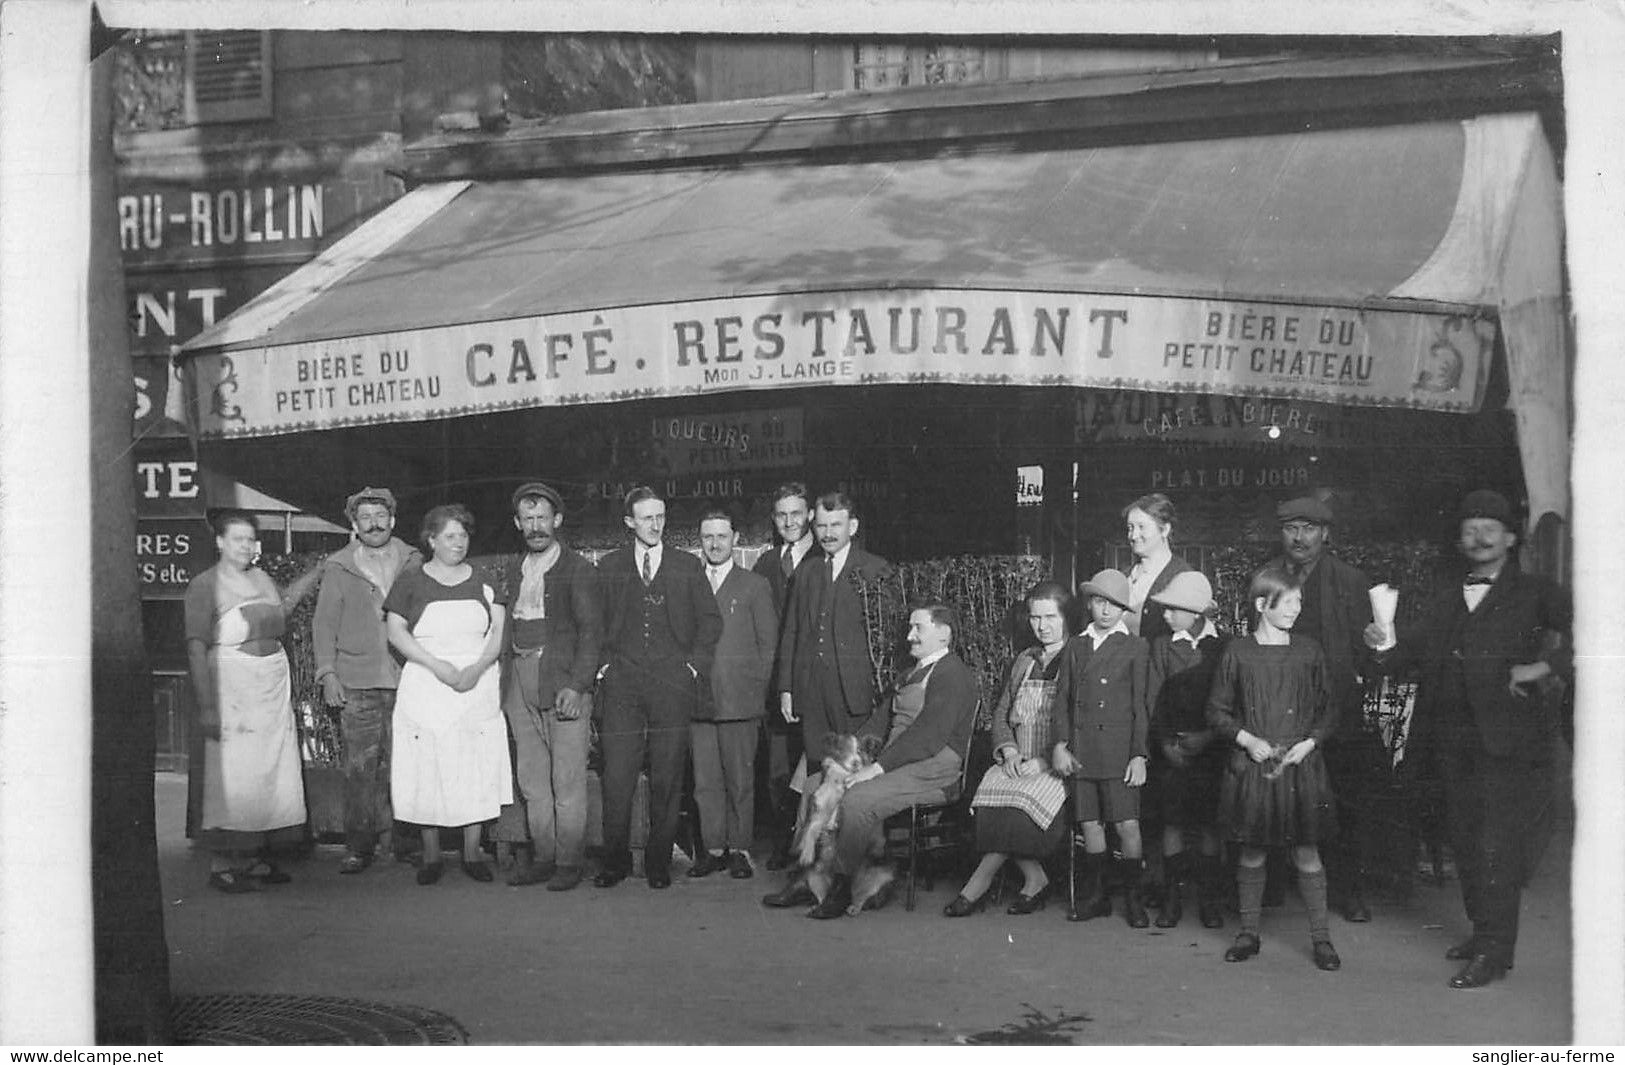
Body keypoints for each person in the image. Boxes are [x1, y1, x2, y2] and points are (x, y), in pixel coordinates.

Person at [1362, 489, 1570, 990]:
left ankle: (1497, 952)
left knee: (1497, 845)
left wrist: (1541, 666)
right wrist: (1381, 645)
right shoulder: (1448, 596)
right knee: (1468, 843)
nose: (1478, 536)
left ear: (1511, 538)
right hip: (1451, 742)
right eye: (1469, 528)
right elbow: (1405, 652)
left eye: (1489, 528)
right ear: (1459, 539)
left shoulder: (1538, 592)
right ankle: (1484, 935)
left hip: (1509, 745)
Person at [793, 602, 981, 919]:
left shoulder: (953, 675)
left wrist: (875, 769)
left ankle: (842, 888)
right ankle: (807, 879)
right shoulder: (911, 673)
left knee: (857, 798)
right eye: (910, 627)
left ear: (944, 634)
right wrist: (844, 758)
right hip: (902, 760)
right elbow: (878, 724)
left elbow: (927, 736)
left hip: (935, 767)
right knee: (815, 784)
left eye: (918, 628)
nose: (909, 636)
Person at [1206, 566, 1341, 971]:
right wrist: (1248, 741)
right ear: (1262, 605)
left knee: (1306, 852)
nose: (1296, 610)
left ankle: (1321, 939)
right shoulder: (1238, 652)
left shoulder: (1309, 651)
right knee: (1252, 852)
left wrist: (1310, 742)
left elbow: (1328, 707)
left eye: (1300, 602)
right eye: (1288, 602)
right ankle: (1248, 933)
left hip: (1300, 766)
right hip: (1255, 768)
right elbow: (1216, 710)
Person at [184, 509, 321, 893]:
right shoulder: (204, 586)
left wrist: (316, 573)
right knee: (234, 775)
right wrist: (207, 706)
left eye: (250, 540)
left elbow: (284, 608)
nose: (246, 546)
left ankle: (257, 856)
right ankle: (223, 864)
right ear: (220, 542)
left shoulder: (262, 578)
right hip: (232, 686)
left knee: (270, 771)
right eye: (238, 539)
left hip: (271, 685)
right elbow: (196, 648)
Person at [594, 486, 723, 890]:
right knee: (617, 776)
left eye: (661, 516)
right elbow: (594, 624)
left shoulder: (686, 565)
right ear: (630, 522)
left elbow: (710, 622)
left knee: (668, 777)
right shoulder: (610, 566)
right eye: (647, 517)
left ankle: (658, 864)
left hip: (672, 685)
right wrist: (603, 669)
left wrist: (690, 668)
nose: (655, 524)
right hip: (622, 687)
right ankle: (614, 862)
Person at [384, 504, 511, 885]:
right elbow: (396, 632)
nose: (459, 543)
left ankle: (473, 853)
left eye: (464, 535)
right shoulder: (410, 581)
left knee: (475, 763)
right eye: (450, 536)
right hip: (426, 683)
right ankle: (432, 855)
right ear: (432, 540)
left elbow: (497, 633)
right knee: (428, 763)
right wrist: (436, 666)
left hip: (476, 685)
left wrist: (475, 670)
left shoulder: (486, 580)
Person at [1269, 495, 1379, 922]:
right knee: (1277, 792)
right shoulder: (1269, 577)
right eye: (1291, 528)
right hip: (1281, 706)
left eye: (1309, 528)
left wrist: (1369, 657)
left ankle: (1348, 890)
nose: (1299, 537)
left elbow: (1367, 648)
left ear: (1325, 534)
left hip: (1335, 710)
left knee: (1343, 798)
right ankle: (1275, 887)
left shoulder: (1350, 581)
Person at [944, 581, 1073, 917]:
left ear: (1066, 617)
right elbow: (1002, 712)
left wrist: (1045, 762)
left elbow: (1079, 721)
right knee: (992, 796)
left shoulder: (1077, 657)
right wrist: (1009, 751)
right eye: (1035, 618)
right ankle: (1034, 878)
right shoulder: (1024, 660)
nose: (1042, 626)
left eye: (1050, 617)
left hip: (1055, 765)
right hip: (1018, 758)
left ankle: (977, 886)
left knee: (1018, 807)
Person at [312, 486, 422, 875]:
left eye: (380, 516)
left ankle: (406, 843)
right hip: (356, 680)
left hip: (407, 678)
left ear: (392, 520)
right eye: (365, 518)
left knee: (406, 764)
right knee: (360, 768)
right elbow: (323, 624)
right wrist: (327, 673)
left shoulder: (413, 561)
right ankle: (359, 847)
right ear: (354, 526)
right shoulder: (339, 566)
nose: (374, 523)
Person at [499, 481, 603, 892]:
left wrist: (578, 686)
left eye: (543, 518)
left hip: (560, 680)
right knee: (532, 778)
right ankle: (543, 856)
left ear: (557, 520)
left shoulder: (578, 568)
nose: (536, 526)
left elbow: (593, 632)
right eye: (528, 519)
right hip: (518, 681)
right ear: (518, 523)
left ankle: (569, 860)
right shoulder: (513, 568)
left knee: (568, 777)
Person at [1052, 569, 1150, 927]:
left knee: (1126, 824)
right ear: (1090, 603)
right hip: (1082, 749)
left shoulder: (1136, 647)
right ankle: (1098, 897)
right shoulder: (1076, 645)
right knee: (1090, 823)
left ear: (1124, 609)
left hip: (1119, 750)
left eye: (1115, 605)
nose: (1106, 611)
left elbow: (1141, 705)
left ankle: (1134, 899)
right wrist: (1060, 745)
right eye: (1099, 602)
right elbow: (1062, 700)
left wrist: (1139, 754)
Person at [689, 508, 778, 880]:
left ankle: (739, 849)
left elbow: (768, 645)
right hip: (698, 702)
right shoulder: (690, 583)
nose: (715, 543)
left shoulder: (753, 585)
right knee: (705, 782)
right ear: (700, 541)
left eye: (722, 536)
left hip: (739, 702)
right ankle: (712, 850)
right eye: (708, 537)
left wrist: (753, 692)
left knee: (740, 780)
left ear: (735, 539)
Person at [775, 490, 892, 760]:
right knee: (818, 768)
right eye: (822, 526)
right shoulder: (806, 571)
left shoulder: (875, 569)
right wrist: (787, 689)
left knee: (853, 769)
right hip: (812, 692)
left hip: (854, 694)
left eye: (835, 525)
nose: (827, 533)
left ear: (852, 526)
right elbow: (791, 631)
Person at [1144, 570, 1227, 929]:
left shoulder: (1223, 647)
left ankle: (1209, 901)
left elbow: (1230, 700)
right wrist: (1165, 743)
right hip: (1173, 751)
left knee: (1209, 826)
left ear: (1196, 613)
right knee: (1173, 823)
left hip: (1210, 751)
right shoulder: (1162, 647)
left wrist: (1208, 737)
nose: (1165, 616)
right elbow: (1152, 700)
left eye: (1173, 609)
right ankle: (1172, 900)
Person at [751, 482, 820, 870]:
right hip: (776, 687)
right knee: (778, 768)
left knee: (814, 765)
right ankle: (783, 843)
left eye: (797, 513)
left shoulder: (822, 560)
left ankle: (810, 846)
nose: (790, 521)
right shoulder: (765, 564)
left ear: (810, 514)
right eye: (782, 515)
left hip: (811, 682)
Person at [1122, 492, 1194, 642]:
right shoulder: (1124, 576)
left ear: (1165, 530)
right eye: (1130, 528)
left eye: (1142, 527)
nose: (1134, 535)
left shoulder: (1182, 577)